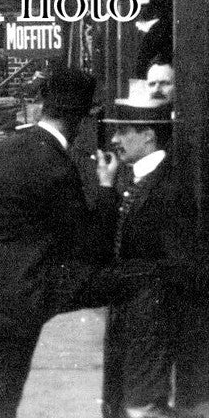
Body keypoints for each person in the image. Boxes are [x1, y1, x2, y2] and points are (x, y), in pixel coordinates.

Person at [0, 67, 142, 416]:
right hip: (21, 298)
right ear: (80, 120)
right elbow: (91, 248)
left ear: (45, 107)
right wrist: (106, 188)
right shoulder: (58, 167)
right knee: (0, 397)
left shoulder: (2, 149)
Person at [99, 96, 192, 418]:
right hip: (127, 319)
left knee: (141, 407)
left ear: (149, 135)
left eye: (124, 132)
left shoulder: (168, 188)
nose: (115, 140)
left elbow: (180, 262)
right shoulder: (130, 179)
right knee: (121, 407)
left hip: (151, 322)